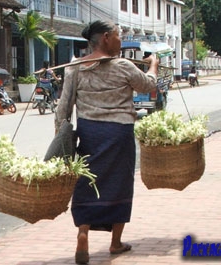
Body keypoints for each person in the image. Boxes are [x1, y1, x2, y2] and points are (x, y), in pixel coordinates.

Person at [54, 20, 159, 264]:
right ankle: (115, 243)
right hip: (119, 133)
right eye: (118, 36)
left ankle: (83, 233)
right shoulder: (123, 66)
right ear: (106, 38)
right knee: (119, 184)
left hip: (90, 133)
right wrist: (153, 65)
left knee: (86, 184)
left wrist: (62, 138)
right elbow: (149, 85)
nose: (120, 41)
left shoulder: (76, 67)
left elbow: (64, 107)